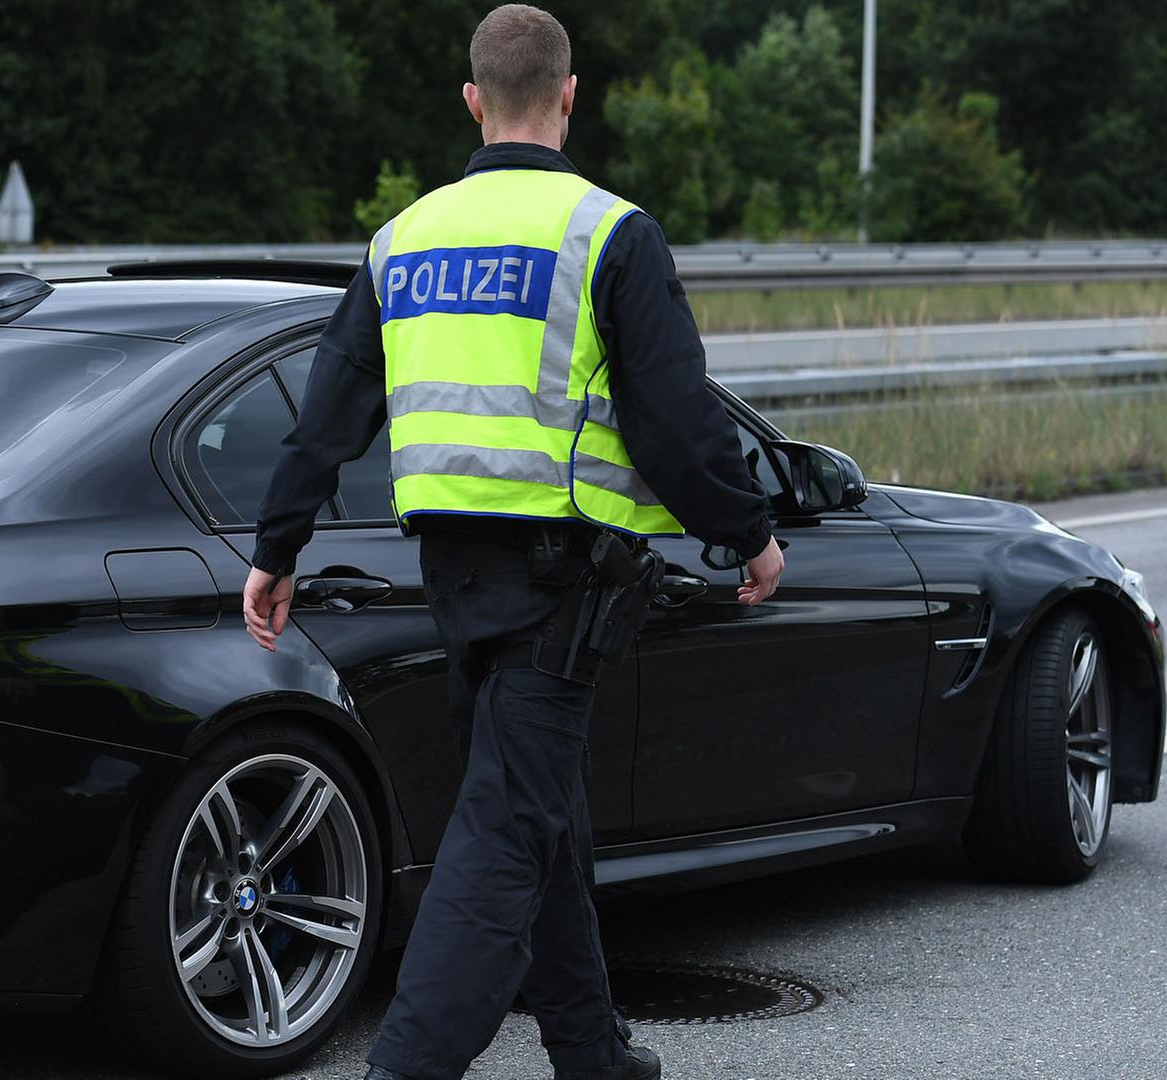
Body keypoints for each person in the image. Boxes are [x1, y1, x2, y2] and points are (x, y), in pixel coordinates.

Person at [240, 5, 785, 1078]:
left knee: (540, 818)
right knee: (500, 843)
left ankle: (592, 1054)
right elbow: (676, 420)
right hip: (560, 585)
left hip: (454, 580)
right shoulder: (609, 232)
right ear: (572, 95)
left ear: (473, 100)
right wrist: (747, 532)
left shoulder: (404, 239)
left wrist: (278, 546)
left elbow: (330, 413)